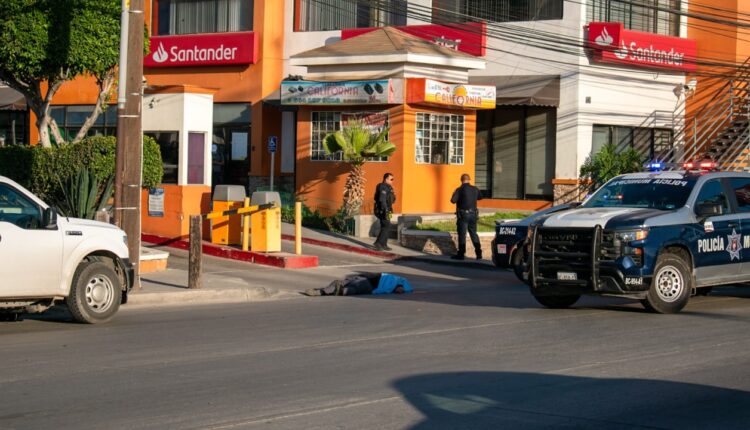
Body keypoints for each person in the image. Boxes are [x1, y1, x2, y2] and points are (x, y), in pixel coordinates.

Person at [450, 173, 483, 260]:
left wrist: (454, 194)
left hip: (463, 215)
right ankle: (479, 254)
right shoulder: (475, 189)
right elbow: (480, 197)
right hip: (473, 215)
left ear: (461, 180)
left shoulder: (459, 189)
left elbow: (453, 201)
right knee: (473, 233)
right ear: (469, 180)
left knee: (462, 234)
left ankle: (461, 254)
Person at [373, 172, 396, 251]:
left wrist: (393, 192)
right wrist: (385, 210)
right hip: (383, 209)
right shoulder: (382, 187)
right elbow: (382, 200)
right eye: (391, 179)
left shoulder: (389, 187)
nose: (392, 180)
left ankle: (384, 244)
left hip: (389, 210)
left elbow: (392, 200)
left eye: (393, 179)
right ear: (386, 179)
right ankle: (378, 243)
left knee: (387, 226)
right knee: (386, 225)